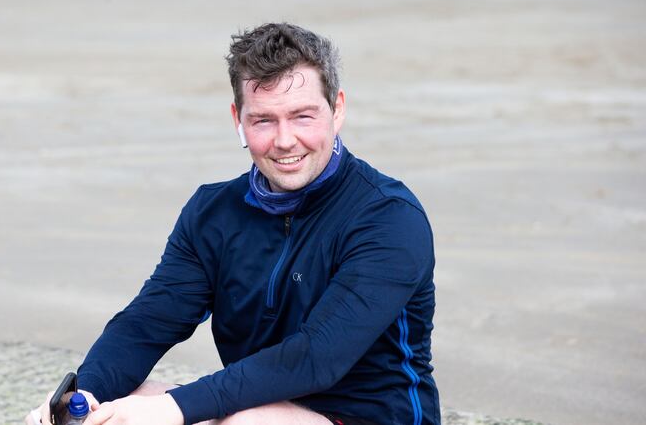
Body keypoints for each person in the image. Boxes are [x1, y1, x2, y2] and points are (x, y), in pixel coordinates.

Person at [27, 22, 439, 425]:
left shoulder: (388, 217)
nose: (284, 140)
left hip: (367, 416)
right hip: (254, 404)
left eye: (302, 116)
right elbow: (146, 323)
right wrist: (83, 396)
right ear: (237, 119)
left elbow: (317, 357)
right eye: (263, 120)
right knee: (116, 405)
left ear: (337, 109)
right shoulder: (214, 212)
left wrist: (174, 409)